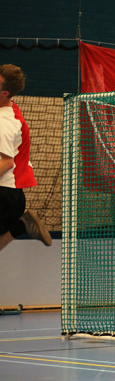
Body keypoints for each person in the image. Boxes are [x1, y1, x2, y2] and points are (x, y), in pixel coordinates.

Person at [0, 64, 51, 252]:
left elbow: (7, 162)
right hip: (12, 195)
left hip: (5, 195)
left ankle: (20, 226)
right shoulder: (9, 108)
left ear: (5, 93)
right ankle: (21, 226)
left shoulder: (4, 122)